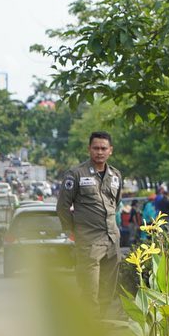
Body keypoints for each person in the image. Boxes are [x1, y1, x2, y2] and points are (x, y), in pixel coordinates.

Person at [56, 131, 124, 315]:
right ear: (89, 149)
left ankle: (104, 330)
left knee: (108, 292)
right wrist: (72, 230)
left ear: (110, 150)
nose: (99, 152)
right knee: (89, 291)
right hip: (88, 242)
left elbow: (115, 204)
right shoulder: (76, 174)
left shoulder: (115, 175)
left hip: (111, 240)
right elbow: (62, 207)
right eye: (96, 148)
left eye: (103, 148)